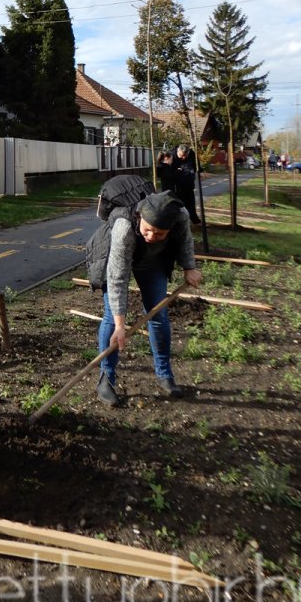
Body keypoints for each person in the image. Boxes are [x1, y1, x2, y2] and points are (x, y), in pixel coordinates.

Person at [96, 190, 202, 406]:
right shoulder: (125, 228)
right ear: (139, 217)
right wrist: (120, 325)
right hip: (116, 254)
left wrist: (189, 267)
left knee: (157, 313)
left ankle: (164, 374)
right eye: (148, 230)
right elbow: (117, 278)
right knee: (111, 317)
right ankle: (106, 378)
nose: (152, 236)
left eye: (160, 234)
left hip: (152, 260)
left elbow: (184, 239)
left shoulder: (179, 216)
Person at [172, 144, 200, 224]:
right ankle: (178, 221)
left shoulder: (191, 154)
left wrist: (199, 171)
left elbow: (196, 164)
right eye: (181, 155)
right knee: (179, 203)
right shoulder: (172, 155)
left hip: (189, 183)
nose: (183, 158)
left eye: (185, 155)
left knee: (191, 202)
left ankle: (194, 219)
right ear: (178, 151)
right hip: (177, 185)